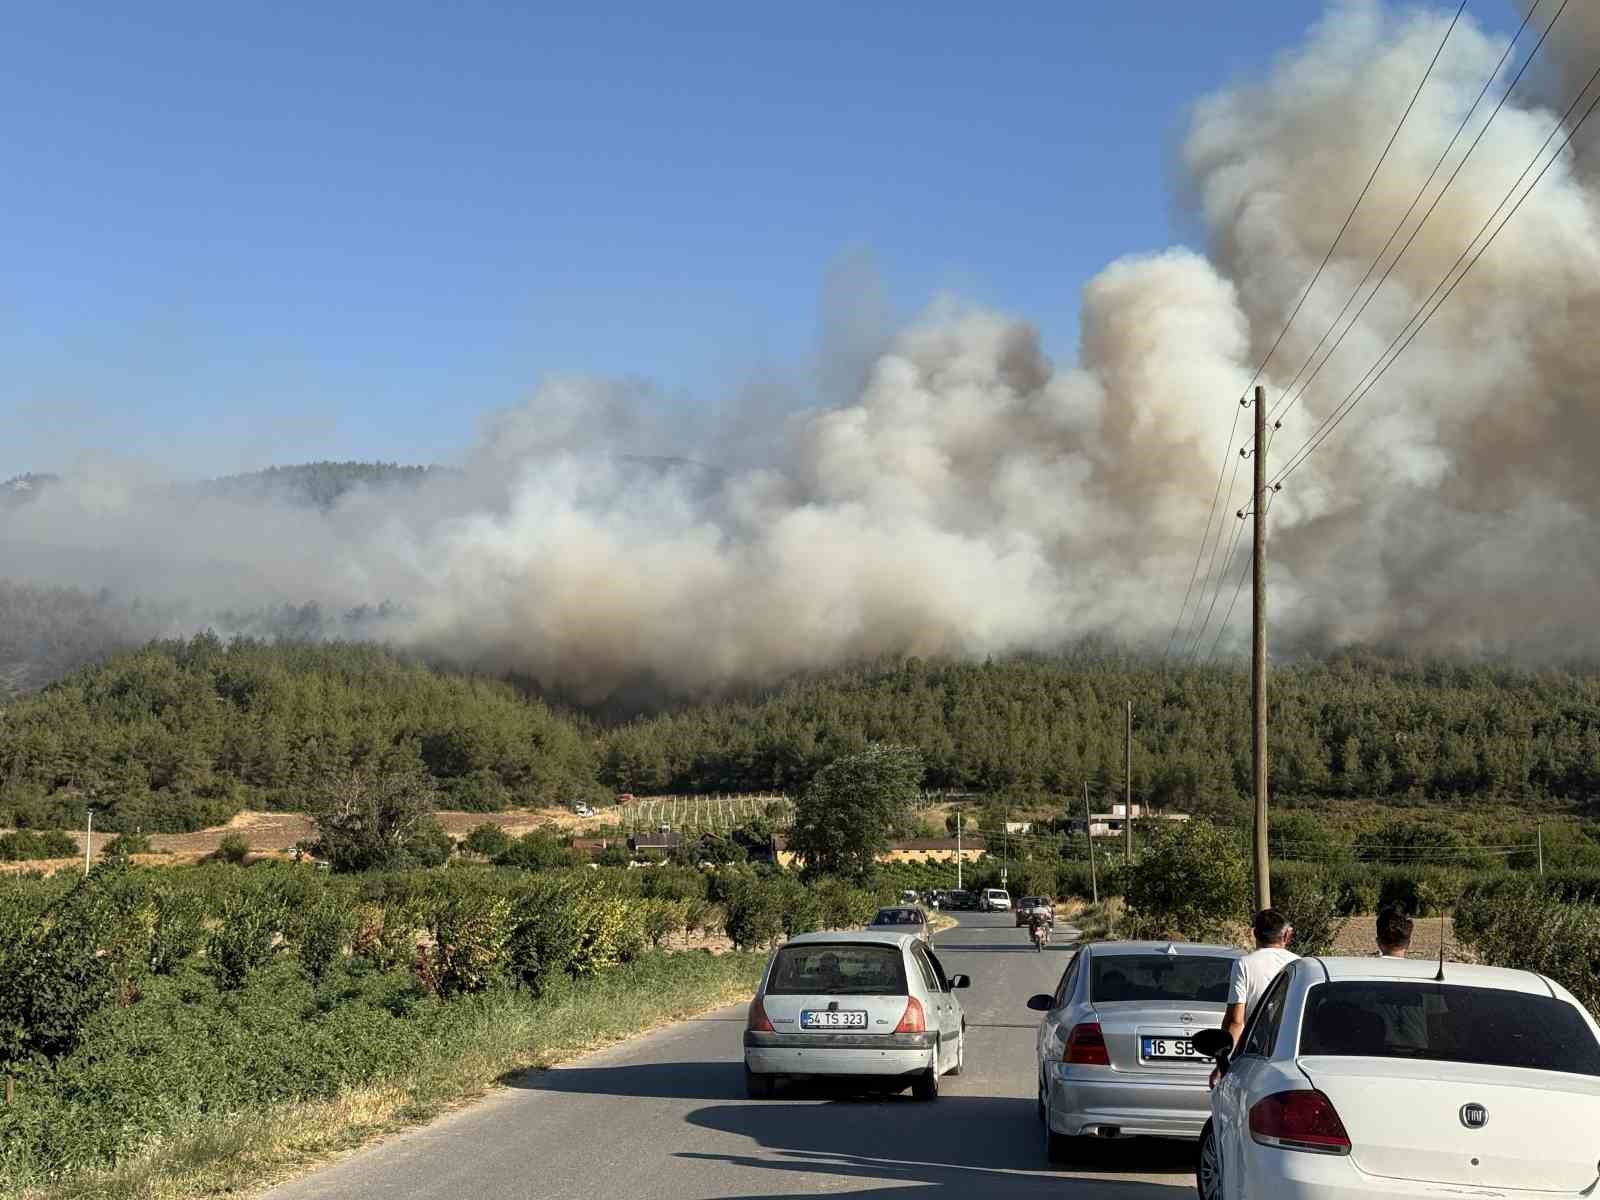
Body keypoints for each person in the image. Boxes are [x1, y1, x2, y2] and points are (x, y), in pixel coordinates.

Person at [1217, 909, 1297, 1063]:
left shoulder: (1244, 964)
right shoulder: (1299, 963)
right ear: (1287, 935)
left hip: (1256, 1053)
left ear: (1254, 933)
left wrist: (1223, 1062)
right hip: (1290, 1051)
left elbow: (1236, 1020)